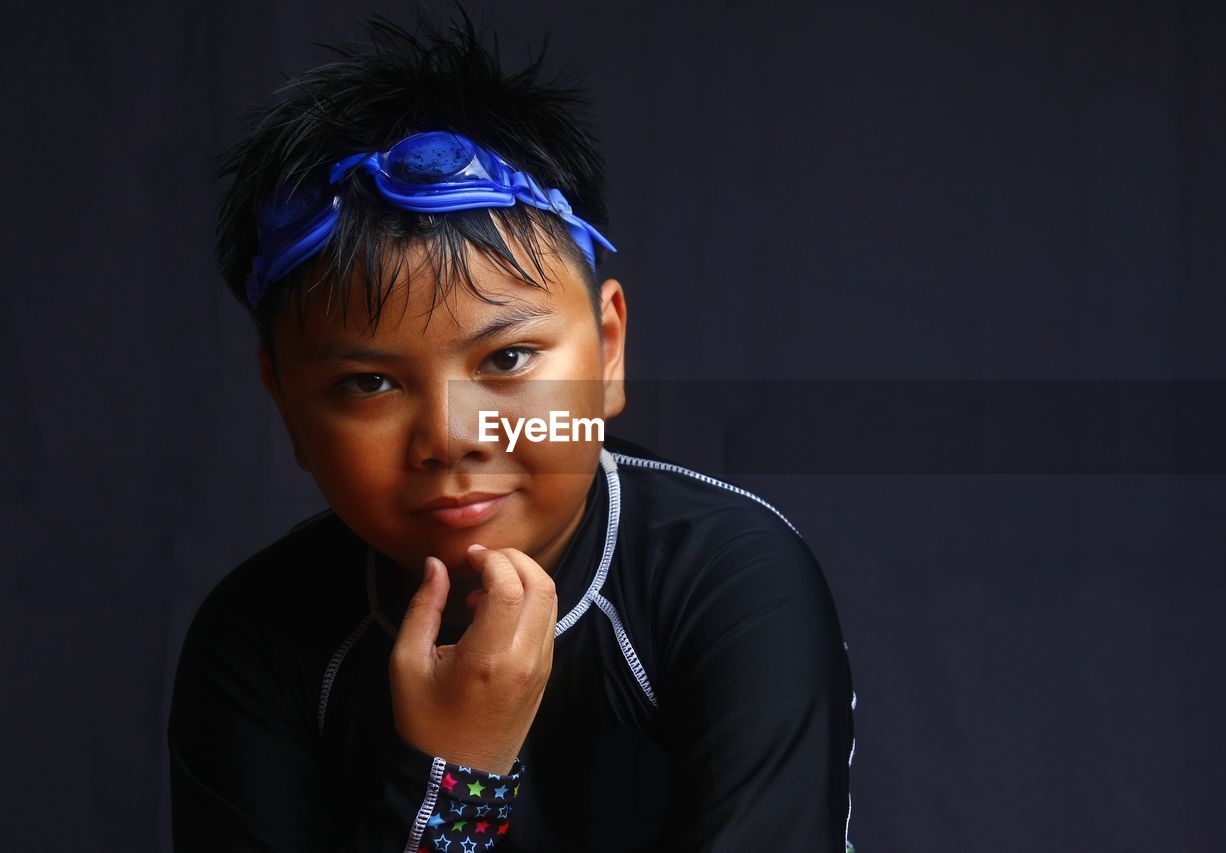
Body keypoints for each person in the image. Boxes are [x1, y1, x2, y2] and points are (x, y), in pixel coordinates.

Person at [168, 8, 856, 852]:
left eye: (506, 361)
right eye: (369, 381)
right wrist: (455, 775)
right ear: (287, 406)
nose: (452, 437)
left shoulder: (726, 584)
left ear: (606, 353)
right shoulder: (259, 640)